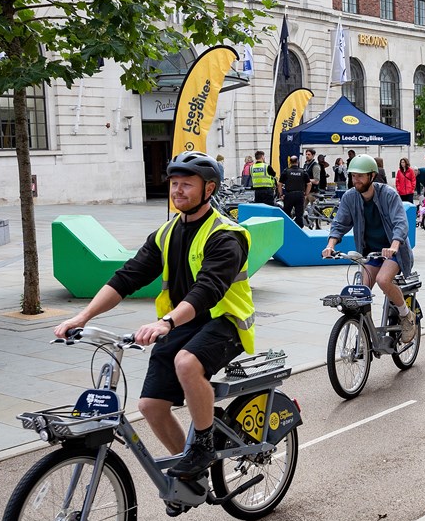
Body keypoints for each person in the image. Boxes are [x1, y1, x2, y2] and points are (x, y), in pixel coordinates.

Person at [54, 151, 254, 480]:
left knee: (187, 363)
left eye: (187, 185)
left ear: (209, 189)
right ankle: (192, 477)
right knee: (150, 406)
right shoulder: (166, 233)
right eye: (174, 184)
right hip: (181, 323)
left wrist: (166, 322)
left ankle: (202, 446)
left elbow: (208, 289)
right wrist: (83, 317)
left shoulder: (226, 235)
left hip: (224, 321)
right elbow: (127, 277)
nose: (177, 191)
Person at [323, 154, 417, 343]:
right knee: (361, 291)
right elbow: (339, 223)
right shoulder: (350, 197)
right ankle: (367, 330)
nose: (355, 180)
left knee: (383, 280)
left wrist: (394, 246)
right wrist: (330, 245)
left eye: (360, 176)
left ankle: (406, 315)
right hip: (370, 253)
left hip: (393, 252)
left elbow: (400, 223)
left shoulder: (388, 194)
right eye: (353, 176)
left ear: (372, 176)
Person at [280, 155, 311, 227]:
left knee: (286, 214)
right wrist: (306, 194)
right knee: (299, 215)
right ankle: (299, 230)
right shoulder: (303, 171)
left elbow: (279, 184)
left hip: (289, 195)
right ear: (298, 162)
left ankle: (287, 228)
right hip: (300, 195)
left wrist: (281, 194)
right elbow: (309, 184)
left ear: (290, 162)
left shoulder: (286, 171)